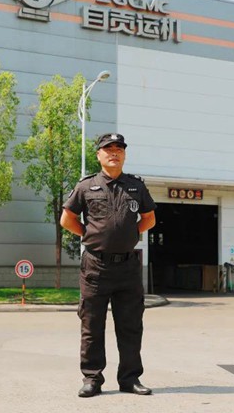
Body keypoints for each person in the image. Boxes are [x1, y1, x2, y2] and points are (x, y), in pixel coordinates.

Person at [60, 133, 157, 398]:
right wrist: (89, 234)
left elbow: (149, 219)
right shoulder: (86, 186)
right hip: (95, 266)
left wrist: (131, 234)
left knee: (130, 326)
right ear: (99, 155)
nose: (114, 153)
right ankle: (92, 379)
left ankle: (130, 378)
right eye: (108, 149)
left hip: (128, 267)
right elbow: (67, 219)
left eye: (119, 149)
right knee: (92, 326)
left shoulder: (136, 186)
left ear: (124, 155)